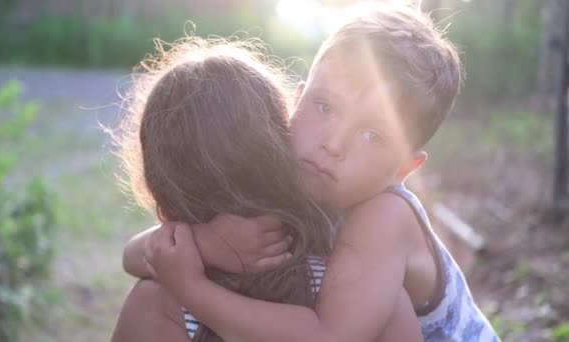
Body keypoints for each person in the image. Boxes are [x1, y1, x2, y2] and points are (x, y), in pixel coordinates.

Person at [142, 3, 499, 341]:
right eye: (325, 107)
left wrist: (192, 288)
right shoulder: (307, 174)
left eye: (372, 135)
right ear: (298, 100)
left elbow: (328, 335)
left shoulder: (386, 217)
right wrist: (204, 244)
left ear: (404, 168)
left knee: (392, 309)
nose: (334, 144)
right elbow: (151, 248)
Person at [111, 36, 422, 342]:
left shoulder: (158, 304)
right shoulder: (374, 304)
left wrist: (197, 259)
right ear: (280, 141)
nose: (332, 145)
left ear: (162, 196)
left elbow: (145, 254)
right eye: (326, 108)